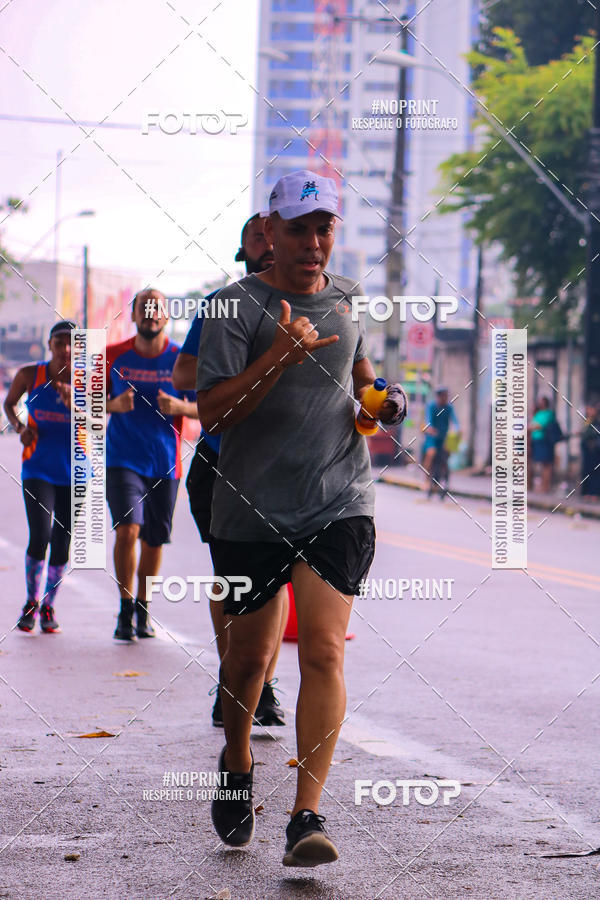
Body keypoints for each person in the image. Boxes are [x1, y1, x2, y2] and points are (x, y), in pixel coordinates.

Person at [196, 170, 406, 866]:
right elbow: (214, 413)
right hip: (251, 507)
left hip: (338, 499)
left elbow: (360, 382)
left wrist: (381, 401)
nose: (313, 243)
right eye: (299, 229)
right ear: (270, 232)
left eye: (325, 229)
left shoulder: (348, 298)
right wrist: (280, 355)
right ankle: (236, 764)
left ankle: (306, 814)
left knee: (322, 650)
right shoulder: (236, 308)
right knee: (249, 659)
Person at [173, 213, 288, 728]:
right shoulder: (225, 304)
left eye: (272, 235)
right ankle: (232, 681)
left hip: (291, 464)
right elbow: (183, 372)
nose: (267, 245)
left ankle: (261, 685)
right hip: (224, 461)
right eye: (256, 239)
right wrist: (258, 362)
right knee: (232, 578)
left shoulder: (325, 300)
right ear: (245, 252)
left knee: (279, 578)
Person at [106, 288, 196, 641]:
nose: (151, 314)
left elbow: (207, 407)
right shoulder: (112, 356)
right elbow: (83, 406)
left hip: (164, 463)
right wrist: (113, 406)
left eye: (157, 308)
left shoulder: (181, 361)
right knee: (128, 529)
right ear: (133, 314)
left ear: (167, 316)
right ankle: (125, 610)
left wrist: (181, 407)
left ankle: (143, 609)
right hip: (122, 459)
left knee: (154, 540)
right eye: (144, 307)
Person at [3, 320, 76, 633]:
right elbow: (9, 404)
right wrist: (21, 428)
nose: (66, 349)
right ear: (50, 345)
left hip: (75, 473)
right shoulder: (31, 374)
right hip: (38, 469)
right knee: (41, 535)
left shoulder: (88, 382)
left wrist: (76, 402)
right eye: (60, 342)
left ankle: (49, 605)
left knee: (62, 545)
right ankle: (31, 602)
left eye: (73, 343)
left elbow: (100, 424)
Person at [422, 387, 459, 493]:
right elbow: (428, 420)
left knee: (446, 455)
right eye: (443, 396)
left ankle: (445, 476)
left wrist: (456, 430)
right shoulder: (431, 406)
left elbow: (455, 422)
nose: (445, 398)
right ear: (438, 396)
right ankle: (426, 480)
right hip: (432, 437)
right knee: (431, 454)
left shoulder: (449, 407)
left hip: (444, 437)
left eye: (446, 396)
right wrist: (430, 428)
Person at [528, 396, 558, 493]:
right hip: (536, 440)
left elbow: (540, 425)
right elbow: (532, 424)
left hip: (545, 440)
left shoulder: (549, 414)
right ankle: (538, 485)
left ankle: (545, 487)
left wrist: (529, 428)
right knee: (537, 463)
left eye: (541, 402)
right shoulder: (538, 413)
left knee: (546, 464)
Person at [580, 401, 600, 500]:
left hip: (594, 449)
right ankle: (587, 492)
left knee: (594, 472)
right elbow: (585, 431)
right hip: (586, 449)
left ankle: (594, 493)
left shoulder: (597, 421)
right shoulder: (588, 420)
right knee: (586, 471)